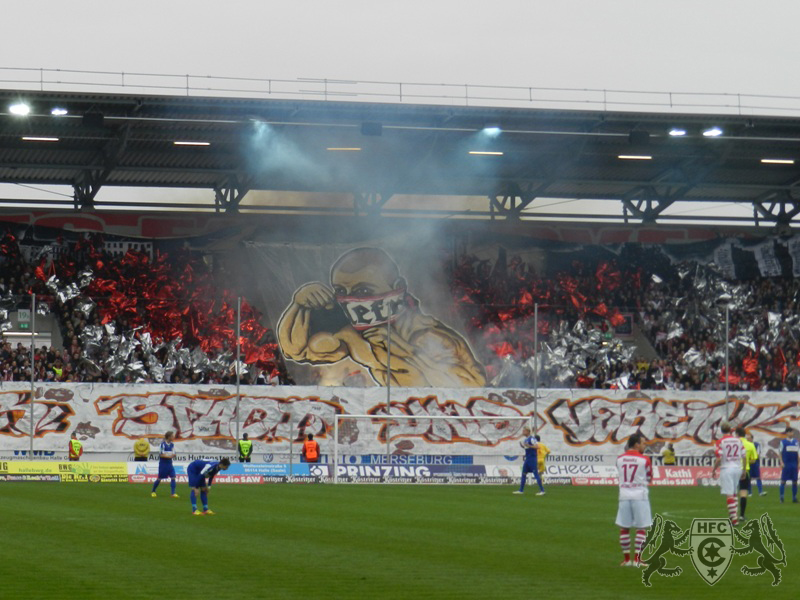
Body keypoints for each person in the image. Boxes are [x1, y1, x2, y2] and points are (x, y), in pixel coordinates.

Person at [277, 247, 486, 387]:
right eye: (341, 291)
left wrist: (405, 353)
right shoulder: (356, 336)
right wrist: (299, 306)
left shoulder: (427, 336)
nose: (351, 300)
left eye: (363, 292)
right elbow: (297, 350)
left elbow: (470, 386)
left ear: (397, 289)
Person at [615, 433, 652, 567]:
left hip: (624, 495)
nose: (645, 445)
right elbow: (649, 477)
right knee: (641, 528)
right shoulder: (645, 459)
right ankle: (637, 559)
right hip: (640, 496)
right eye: (643, 443)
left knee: (624, 528)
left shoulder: (619, 459)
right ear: (636, 444)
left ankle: (626, 560)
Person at [711, 422, 744, 525]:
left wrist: (714, 469)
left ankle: (734, 519)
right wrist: (744, 470)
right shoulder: (738, 441)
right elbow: (744, 455)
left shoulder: (720, 442)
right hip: (737, 468)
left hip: (727, 468)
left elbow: (719, 458)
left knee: (729, 493)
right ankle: (734, 515)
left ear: (721, 431)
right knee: (734, 492)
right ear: (730, 430)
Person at [513, 426, 545, 496]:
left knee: (536, 474)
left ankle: (542, 491)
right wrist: (523, 446)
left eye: (524, 431)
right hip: (527, 459)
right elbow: (527, 447)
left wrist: (529, 446)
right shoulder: (525, 439)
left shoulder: (532, 438)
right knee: (523, 474)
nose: (523, 432)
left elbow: (537, 447)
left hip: (532, 459)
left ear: (528, 431)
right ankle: (521, 490)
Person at [736, 426, 758, 520]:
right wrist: (746, 462)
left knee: (731, 493)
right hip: (744, 471)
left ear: (736, 434)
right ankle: (741, 515)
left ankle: (732, 515)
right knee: (743, 492)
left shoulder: (734, 444)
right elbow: (754, 460)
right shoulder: (750, 445)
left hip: (732, 470)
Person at [151, 431, 179, 498]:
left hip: (170, 464)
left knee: (173, 477)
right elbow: (161, 455)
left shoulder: (172, 444)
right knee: (159, 478)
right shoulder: (163, 444)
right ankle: (153, 491)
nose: (173, 437)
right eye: (172, 436)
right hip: (163, 465)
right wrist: (169, 456)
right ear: (169, 437)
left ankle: (173, 493)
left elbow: (174, 453)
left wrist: (171, 455)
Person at [779, 427, 799, 503]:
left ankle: (794, 497)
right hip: (786, 464)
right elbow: (780, 453)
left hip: (794, 464)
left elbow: (798, 453)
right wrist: (781, 462)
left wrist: (799, 463)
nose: (791, 433)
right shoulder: (783, 442)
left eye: (792, 432)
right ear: (786, 433)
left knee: (795, 481)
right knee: (783, 481)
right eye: (789, 432)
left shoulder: (796, 442)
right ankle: (781, 497)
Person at [747, 432, 766, 496]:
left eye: (748, 438)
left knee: (758, 477)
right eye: (747, 438)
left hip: (755, 463)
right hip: (748, 463)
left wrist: (752, 459)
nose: (747, 439)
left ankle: (760, 492)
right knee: (748, 478)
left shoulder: (757, 445)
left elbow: (758, 454)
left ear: (752, 439)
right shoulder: (746, 445)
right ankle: (750, 493)